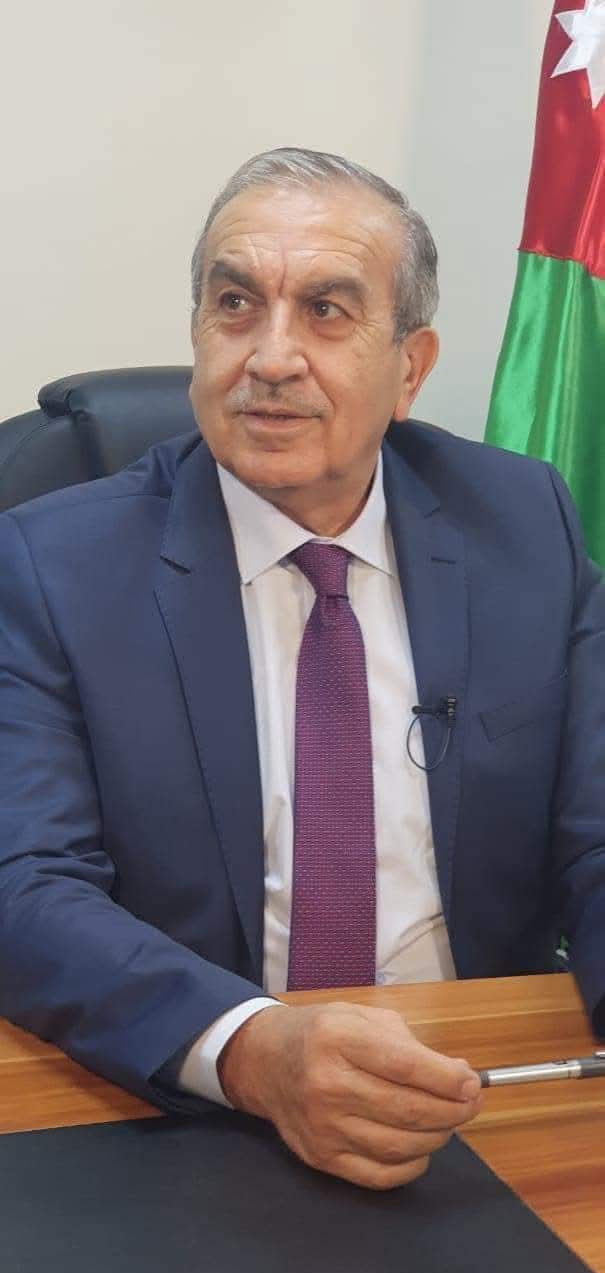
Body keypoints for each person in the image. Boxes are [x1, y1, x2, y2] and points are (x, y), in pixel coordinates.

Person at [0, 147, 604, 1193]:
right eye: (235, 303)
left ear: (409, 368)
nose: (270, 356)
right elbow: (23, 885)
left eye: (326, 311)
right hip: (188, 1101)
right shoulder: (53, 566)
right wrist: (249, 1047)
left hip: (478, 1080)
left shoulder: (521, 523)